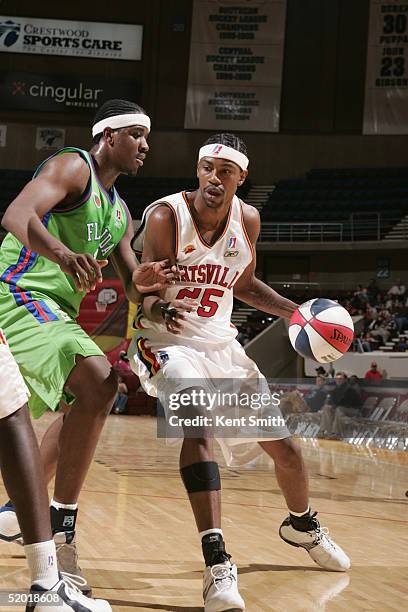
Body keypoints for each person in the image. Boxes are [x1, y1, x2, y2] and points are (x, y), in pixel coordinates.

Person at [128, 133, 350, 611]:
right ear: (198, 170)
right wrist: (156, 309)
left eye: (225, 171)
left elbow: (244, 282)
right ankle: (217, 564)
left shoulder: (247, 219)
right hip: (166, 344)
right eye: (208, 168)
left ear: (241, 178)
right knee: (198, 425)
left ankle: (302, 523)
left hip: (222, 349)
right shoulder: (166, 215)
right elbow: (142, 286)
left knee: (286, 452)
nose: (214, 177)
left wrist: (298, 314)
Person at [0, 99, 173, 593]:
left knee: (97, 391)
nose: (145, 147)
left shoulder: (121, 213)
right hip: (17, 290)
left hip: (54, 310)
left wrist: (158, 302)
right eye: (137, 135)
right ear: (109, 135)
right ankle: (58, 525)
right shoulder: (73, 165)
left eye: (147, 138)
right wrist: (59, 250)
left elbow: (132, 284)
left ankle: (28, 513)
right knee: (100, 383)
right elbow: (16, 213)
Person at [0, 330, 111, 611]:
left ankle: (21, 516)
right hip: (22, 295)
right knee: (96, 385)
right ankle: (49, 574)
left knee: (80, 400)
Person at [320, 372, 363, 438]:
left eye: (340, 379)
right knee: (326, 408)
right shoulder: (336, 389)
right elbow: (332, 400)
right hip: (341, 408)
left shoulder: (350, 389)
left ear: (345, 380)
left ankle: (336, 433)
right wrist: (329, 405)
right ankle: (326, 431)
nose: (338, 380)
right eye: (337, 379)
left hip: (354, 410)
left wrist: (333, 406)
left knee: (339, 409)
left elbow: (346, 403)